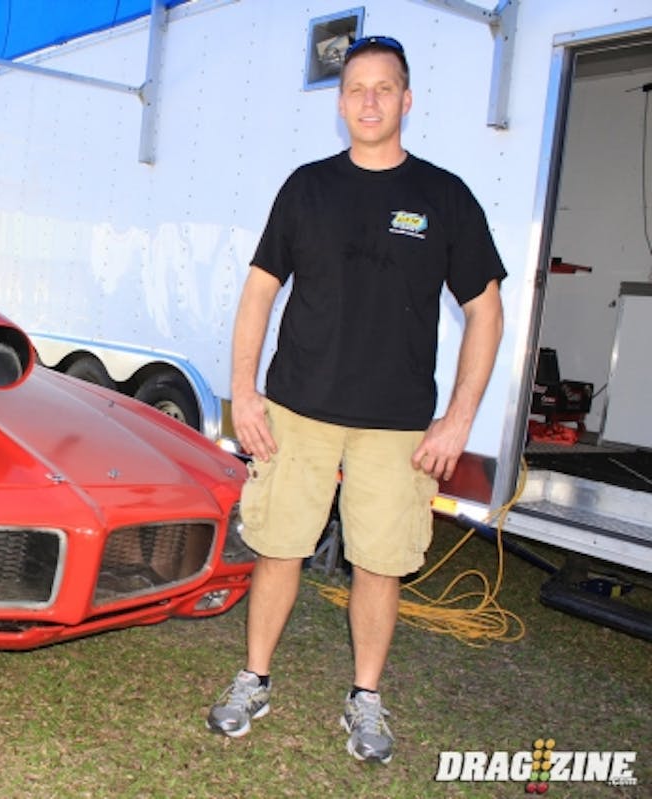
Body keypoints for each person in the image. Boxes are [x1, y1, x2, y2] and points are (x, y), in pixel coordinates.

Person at [206, 35, 505, 764]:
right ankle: (254, 677)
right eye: (356, 88)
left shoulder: (444, 196)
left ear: (407, 100)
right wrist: (245, 392)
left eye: (384, 87)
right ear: (340, 105)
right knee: (279, 547)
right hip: (297, 410)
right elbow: (258, 293)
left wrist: (458, 418)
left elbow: (486, 309)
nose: (369, 100)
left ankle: (365, 697)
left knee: (381, 560)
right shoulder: (307, 187)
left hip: (398, 426)